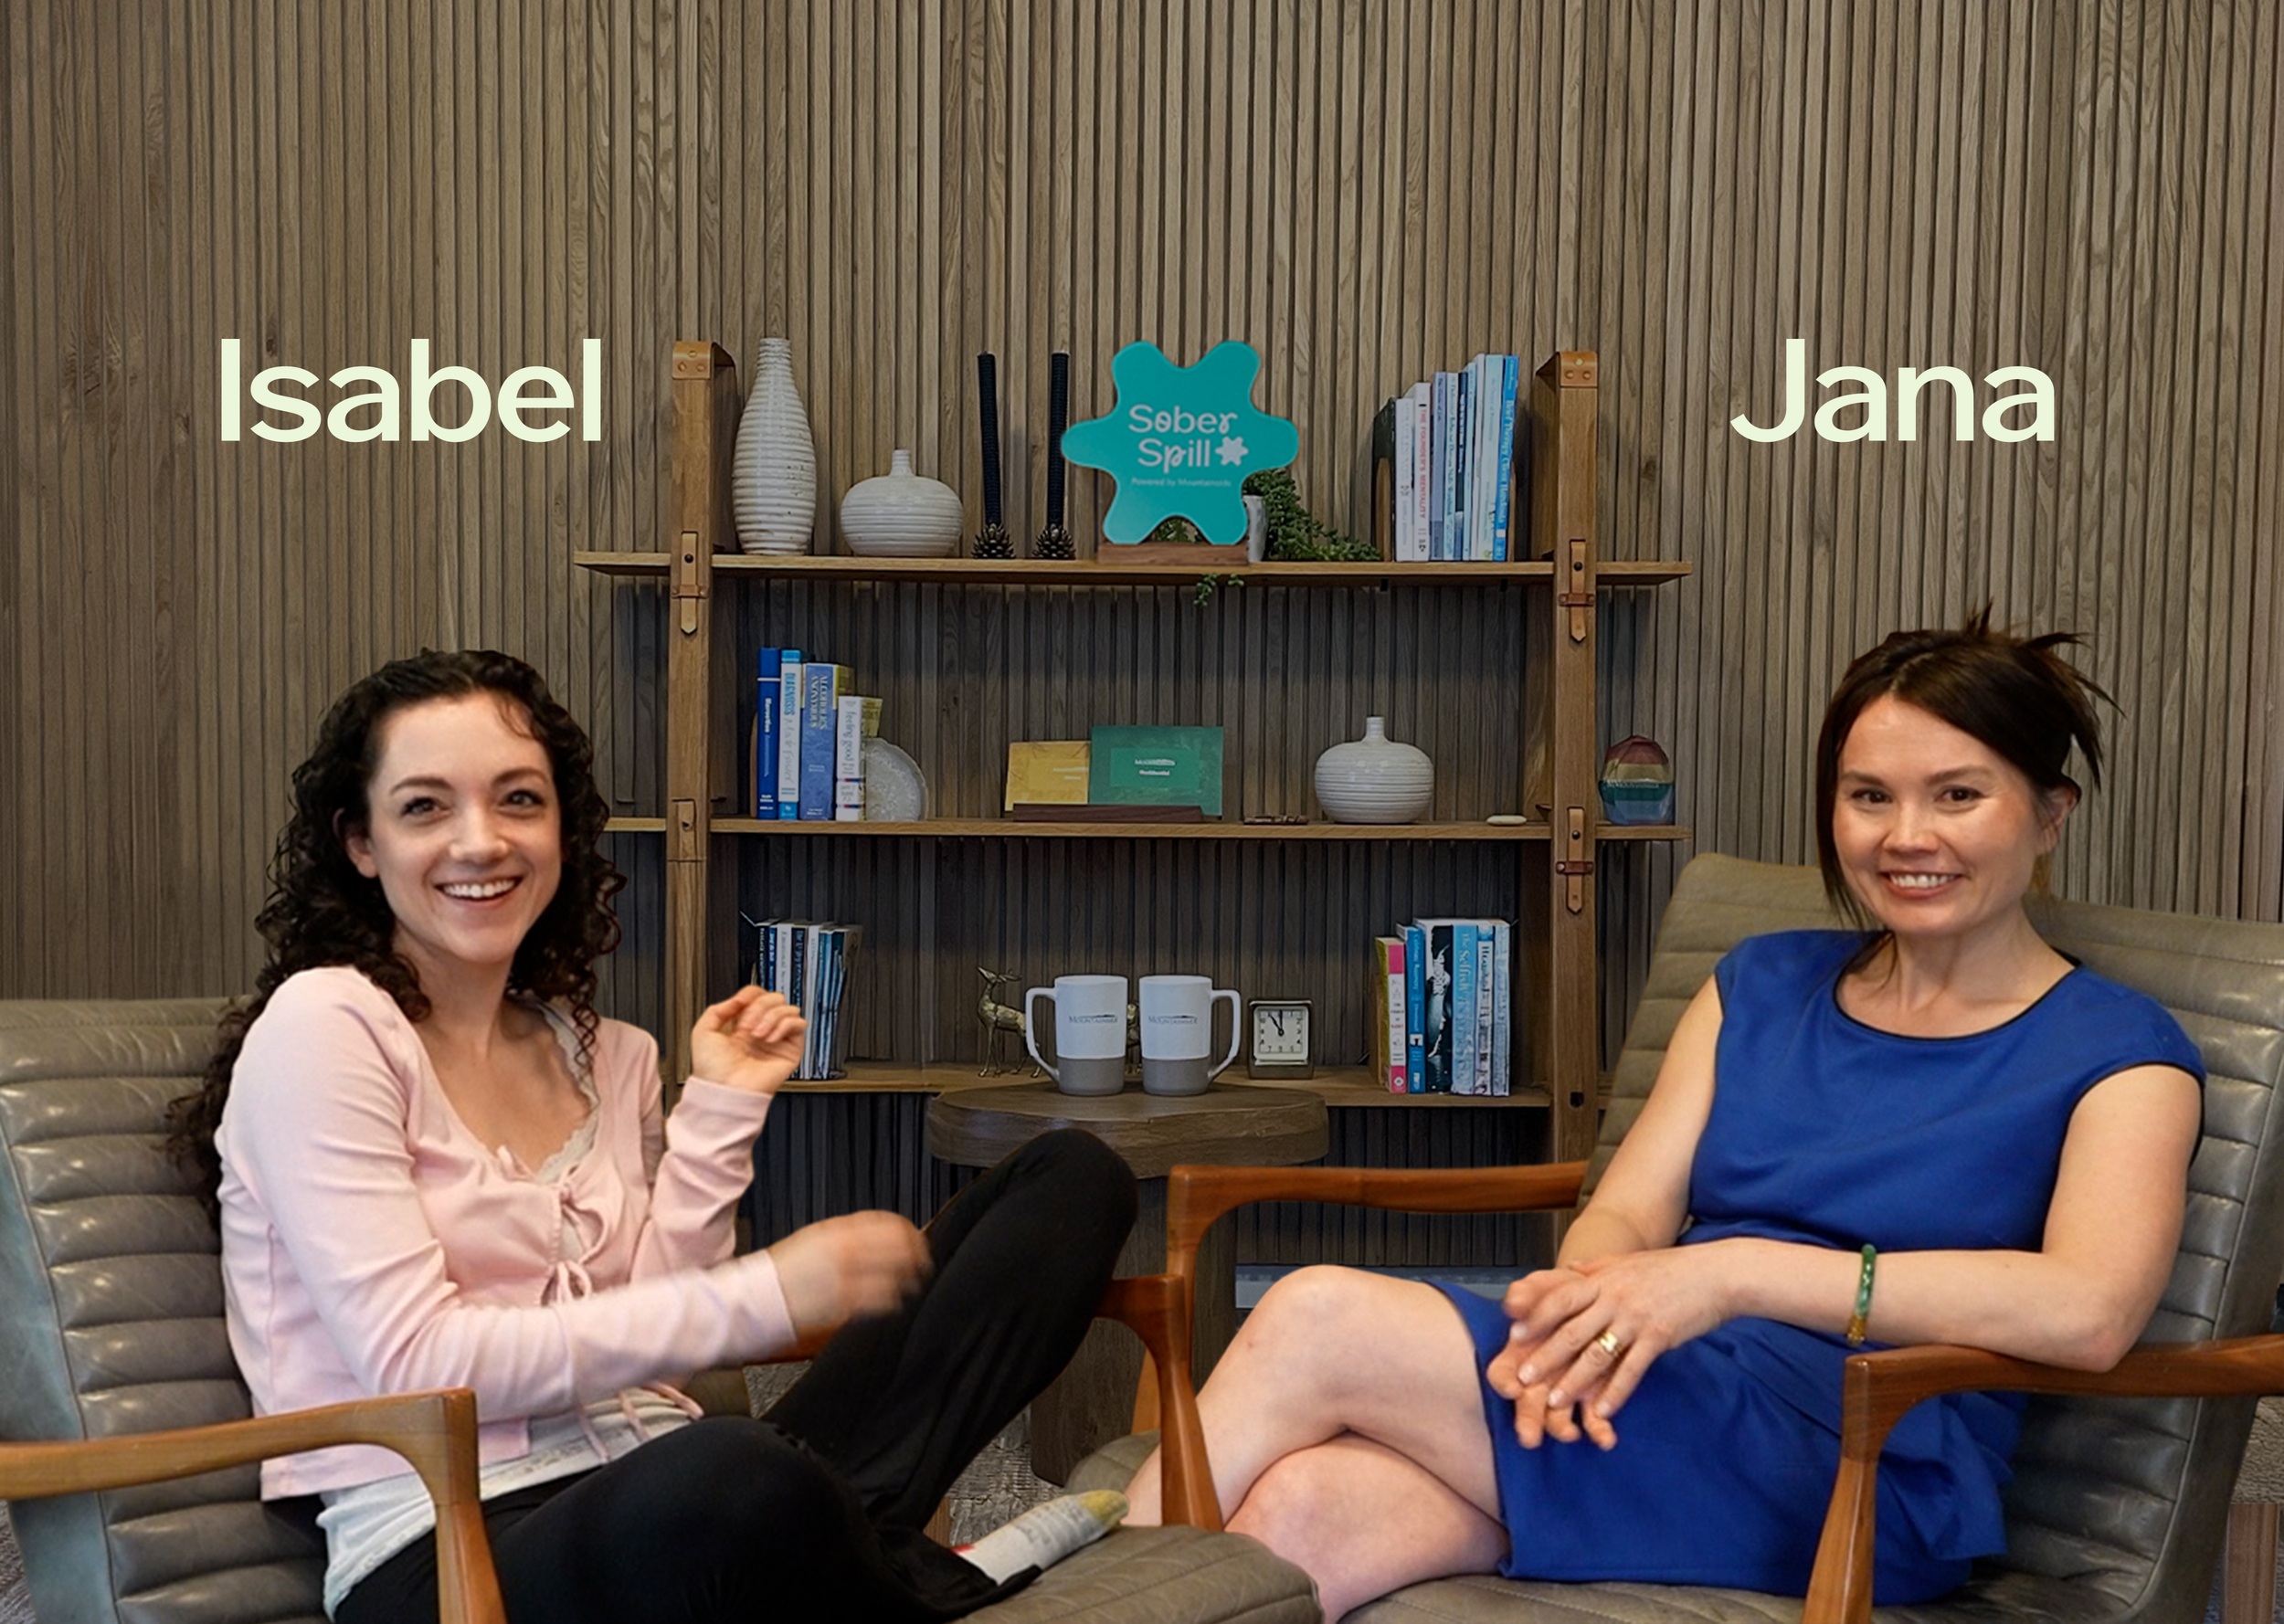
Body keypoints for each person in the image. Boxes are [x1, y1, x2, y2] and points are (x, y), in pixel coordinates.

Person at [1125, 610, 2205, 1619]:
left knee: (1317, 1315)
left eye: (1957, 795)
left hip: (1866, 1455)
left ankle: (1073, 1591)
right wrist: (1584, 1324)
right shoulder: (1762, 982)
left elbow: (2089, 1310)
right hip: (1657, 1383)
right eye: (1867, 794)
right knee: (1305, 1508)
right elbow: (1629, 1211)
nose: (1904, 835)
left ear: (2050, 813)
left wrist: (1726, 1274)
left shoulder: (2117, 1048)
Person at [168, 649, 1139, 1624]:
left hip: (662, 1483)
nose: (481, 840)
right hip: (452, 1547)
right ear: (361, 841)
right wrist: (762, 1295)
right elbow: (419, 1364)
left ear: (560, 828)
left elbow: (657, 1358)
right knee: (732, 1469)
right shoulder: (324, 1025)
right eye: (425, 806)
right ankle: (905, 1572)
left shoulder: (605, 1051)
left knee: (1070, 1179)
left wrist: (719, 1110)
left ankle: (865, 1556)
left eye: (518, 799)